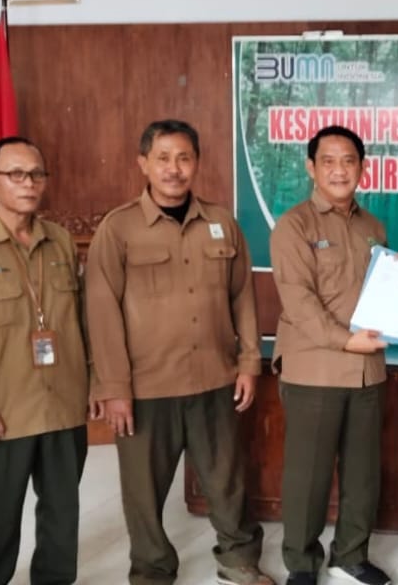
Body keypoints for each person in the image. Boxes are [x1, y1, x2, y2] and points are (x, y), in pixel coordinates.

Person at [86, 120, 272, 585]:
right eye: (163, 158)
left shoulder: (221, 223)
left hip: (215, 377)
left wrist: (249, 362)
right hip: (146, 386)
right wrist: (114, 388)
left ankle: (238, 559)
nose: (174, 168)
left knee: (227, 479)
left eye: (184, 158)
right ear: (143, 163)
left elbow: (243, 298)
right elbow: (102, 312)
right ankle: (151, 570)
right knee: (143, 490)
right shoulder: (119, 227)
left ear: (197, 163)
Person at [0, 136, 96, 585]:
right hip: (6, 408)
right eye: (16, 174)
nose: (28, 183)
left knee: (62, 513)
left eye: (36, 174)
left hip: (64, 403)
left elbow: (82, 322)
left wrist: (94, 382)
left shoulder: (60, 241)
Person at [269, 125, 392, 585]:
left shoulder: (372, 227)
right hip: (315, 369)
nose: (340, 170)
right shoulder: (294, 225)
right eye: (329, 161)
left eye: (349, 161)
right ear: (311, 168)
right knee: (308, 476)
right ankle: (301, 564)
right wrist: (345, 340)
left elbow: (379, 294)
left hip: (367, 370)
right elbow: (299, 302)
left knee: (363, 473)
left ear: (362, 167)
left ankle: (350, 556)